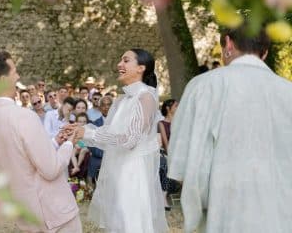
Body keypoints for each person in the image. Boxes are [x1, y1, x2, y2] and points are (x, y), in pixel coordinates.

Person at [168, 26, 292, 233]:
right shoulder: (288, 91)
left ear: (228, 43)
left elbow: (182, 158)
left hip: (226, 209)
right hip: (282, 211)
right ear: (265, 52)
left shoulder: (204, 86)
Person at [0, 51, 81, 233]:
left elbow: (20, 157)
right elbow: (51, 169)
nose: (18, 76)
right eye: (14, 71)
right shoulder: (23, 116)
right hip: (53, 212)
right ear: (2, 80)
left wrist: (55, 142)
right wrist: (69, 143)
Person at [72, 48, 168, 233]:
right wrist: (81, 131)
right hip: (116, 170)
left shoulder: (146, 97)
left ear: (141, 67)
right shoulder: (122, 100)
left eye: (125, 60)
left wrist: (89, 134)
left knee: (131, 223)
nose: (119, 64)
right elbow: (109, 135)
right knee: (117, 223)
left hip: (132, 173)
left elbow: (130, 140)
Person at [157, 99, 179, 211]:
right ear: (168, 108)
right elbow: (166, 145)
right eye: (176, 106)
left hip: (179, 153)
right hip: (166, 153)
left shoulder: (180, 123)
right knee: (166, 164)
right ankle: (163, 197)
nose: (178, 108)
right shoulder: (161, 123)